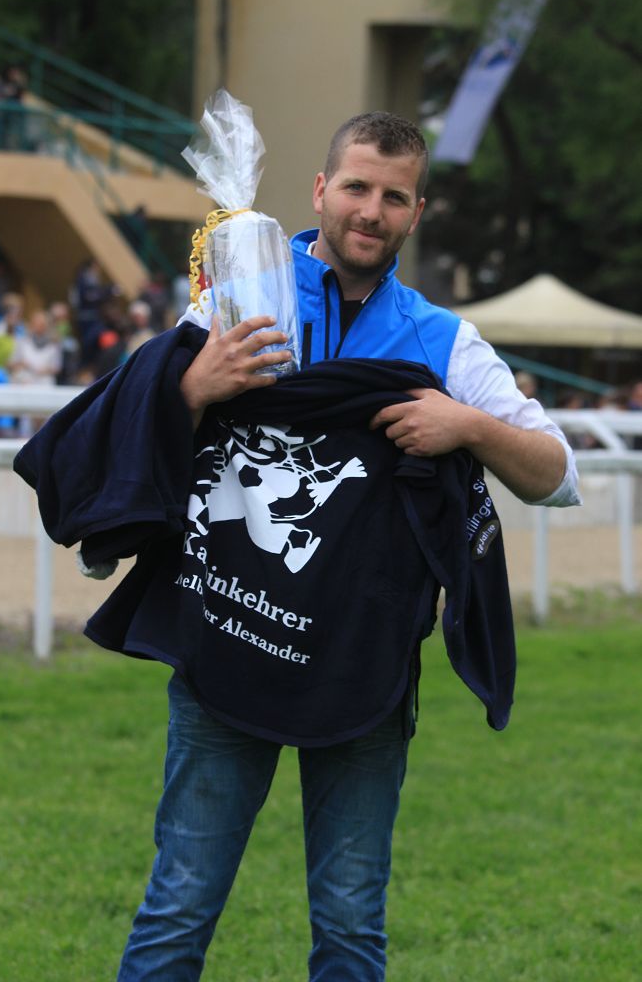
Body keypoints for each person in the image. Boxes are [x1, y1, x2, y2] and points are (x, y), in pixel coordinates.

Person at [100, 111, 582, 981]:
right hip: (231, 646)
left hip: (365, 667)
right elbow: (135, 426)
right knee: (178, 909)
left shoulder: (443, 342)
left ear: (416, 213)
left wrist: (466, 425)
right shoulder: (239, 289)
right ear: (321, 190)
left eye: (394, 197)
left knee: (352, 927)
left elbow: (556, 474)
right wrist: (193, 387)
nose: (371, 210)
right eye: (357, 187)